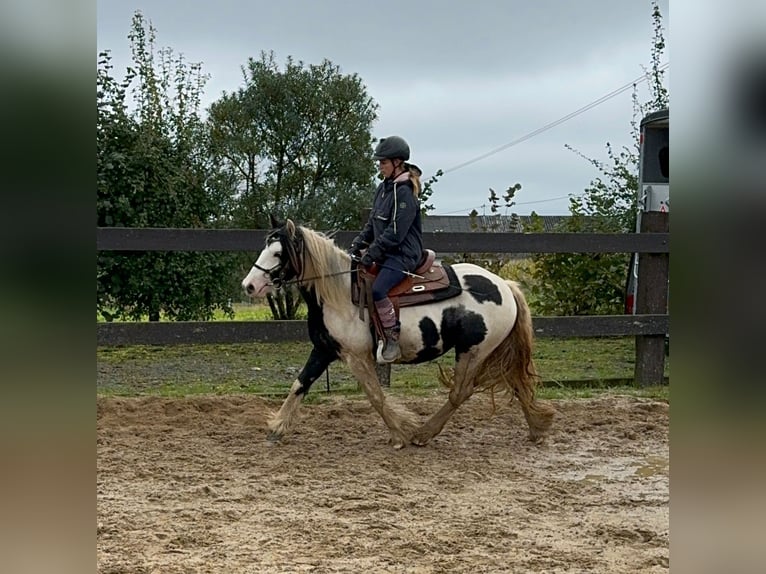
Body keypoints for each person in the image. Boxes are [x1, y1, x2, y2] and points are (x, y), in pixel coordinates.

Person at [349, 136, 423, 363]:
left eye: (383, 162)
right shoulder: (383, 188)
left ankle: (392, 338)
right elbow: (373, 223)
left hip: (403, 254)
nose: (379, 165)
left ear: (397, 162)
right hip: (386, 251)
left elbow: (396, 232)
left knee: (379, 289)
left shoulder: (405, 192)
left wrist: (372, 254)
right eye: (379, 162)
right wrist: (358, 243)